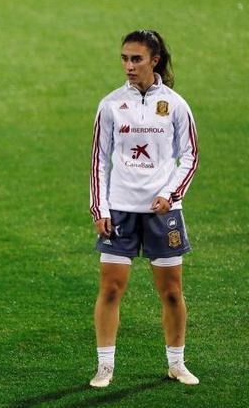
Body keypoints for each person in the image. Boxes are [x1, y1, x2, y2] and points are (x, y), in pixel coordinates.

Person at [89, 30, 200, 387]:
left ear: (155, 60)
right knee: (110, 289)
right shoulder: (110, 105)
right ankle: (105, 366)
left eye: (136, 59)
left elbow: (191, 156)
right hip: (119, 211)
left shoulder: (176, 105)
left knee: (170, 292)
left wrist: (171, 193)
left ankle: (177, 363)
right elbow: (99, 162)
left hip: (163, 213)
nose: (128, 66)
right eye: (124, 58)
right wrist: (100, 209)